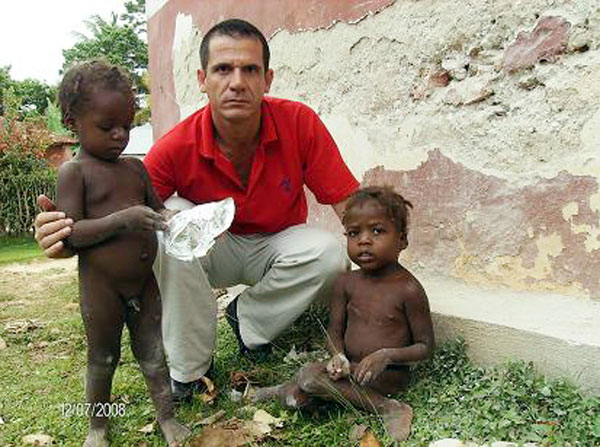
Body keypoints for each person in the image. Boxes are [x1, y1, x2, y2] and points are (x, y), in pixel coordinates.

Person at [34, 19, 359, 402]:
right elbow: (124, 213)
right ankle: (189, 372)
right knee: (164, 220)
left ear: (268, 79)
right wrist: (64, 234)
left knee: (330, 253)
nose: (237, 82)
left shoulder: (298, 122)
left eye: (250, 69)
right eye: (223, 69)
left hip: (276, 245)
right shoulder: (176, 145)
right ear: (203, 79)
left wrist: (386, 250)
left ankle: (249, 322)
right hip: (211, 251)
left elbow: (351, 206)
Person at [53, 61, 189, 447]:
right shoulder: (74, 173)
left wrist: (170, 218)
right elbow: (72, 233)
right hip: (102, 288)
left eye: (127, 125)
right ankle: (98, 426)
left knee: (153, 354)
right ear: (72, 121)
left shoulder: (135, 169)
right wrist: (122, 220)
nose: (120, 135)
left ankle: (167, 419)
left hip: (144, 283)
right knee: (103, 360)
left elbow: (158, 208)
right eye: (106, 125)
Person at [252, 186, 434, 443]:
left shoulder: (408, 289)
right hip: (348, 371)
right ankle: (289, 390)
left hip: (386, 376)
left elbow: (426, 347)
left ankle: (388, 407)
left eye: (377, 231)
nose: (364, 240)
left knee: (309, 376)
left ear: (402, 240)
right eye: (353, 233)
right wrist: (337, 355)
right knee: (294, 398)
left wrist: (386, 356)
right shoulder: (346, 283)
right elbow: (334, 331)